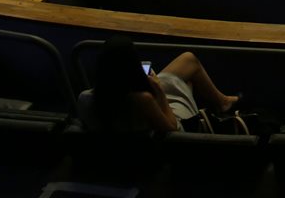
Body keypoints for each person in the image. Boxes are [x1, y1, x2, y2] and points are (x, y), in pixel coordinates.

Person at [82, 36, 239, 133]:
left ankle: (222, 101)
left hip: (122, 138)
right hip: (169, 130)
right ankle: (211, 109)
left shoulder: (85, 97)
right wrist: (159, 91)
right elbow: (173, 129)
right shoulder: (142, 98)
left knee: (187, 59)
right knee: (187, 83)